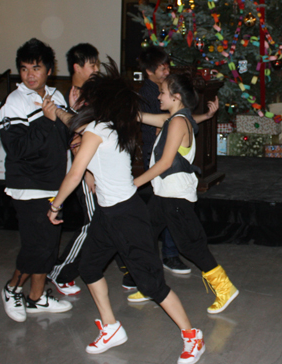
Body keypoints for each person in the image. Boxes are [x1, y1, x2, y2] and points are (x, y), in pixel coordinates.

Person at [46, 59, 206, 363]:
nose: (82, 100)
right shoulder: (109, 126)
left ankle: (192, 336)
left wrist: (55, 206)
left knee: (151, 285)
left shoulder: (98, 129)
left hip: (127, 216)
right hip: (108, 215)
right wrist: (65, 114)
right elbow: (79, 135)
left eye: (86, 97)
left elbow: (73, 175)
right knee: (90, 268)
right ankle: (111, 327)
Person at [131, 72, 239, 314]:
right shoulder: (174, 119)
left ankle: (225, 288)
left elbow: (165, 162)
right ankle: (151, 286)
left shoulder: (178, 122)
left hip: (176, 197)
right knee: (146, 236)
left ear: (176, 97)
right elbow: (144, 117)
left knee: (191, 246)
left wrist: (134, 183)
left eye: (162, 92)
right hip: (163, 195)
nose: (158, 96)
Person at [0, 38, 73, 323]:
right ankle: (12, 288)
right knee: (36, 247)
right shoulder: (14, 103)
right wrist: (45, 119)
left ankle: (37, 297)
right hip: (28, 186)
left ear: (49, 70)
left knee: (49, 245)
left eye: (36, 68)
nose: (30, 75)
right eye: (25, 68)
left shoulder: (56, 95)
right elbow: (16, 149)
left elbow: (66, 135)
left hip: (56, 184)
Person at [47, 43, 100, 295]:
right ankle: (61, 272)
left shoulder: (89, 93)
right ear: (77, 67)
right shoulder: (76, 97)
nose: (97, 69)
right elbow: (77, 139)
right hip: (85, 171)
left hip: (97, 169)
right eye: (92, 65)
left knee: (102, 222)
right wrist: (88, 174)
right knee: (94, 223)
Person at [138, 45, 191, 274]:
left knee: (166, 213)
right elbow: (156, 122)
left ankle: (164, 258)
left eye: (168, 66)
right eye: (162, 67)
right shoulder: (148, 94)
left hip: (166, 160)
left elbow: (175, 119)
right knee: (157, 217)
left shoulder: (171, 96)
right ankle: (152, 265)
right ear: (150, 71)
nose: (166, 70)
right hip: (155, 155)